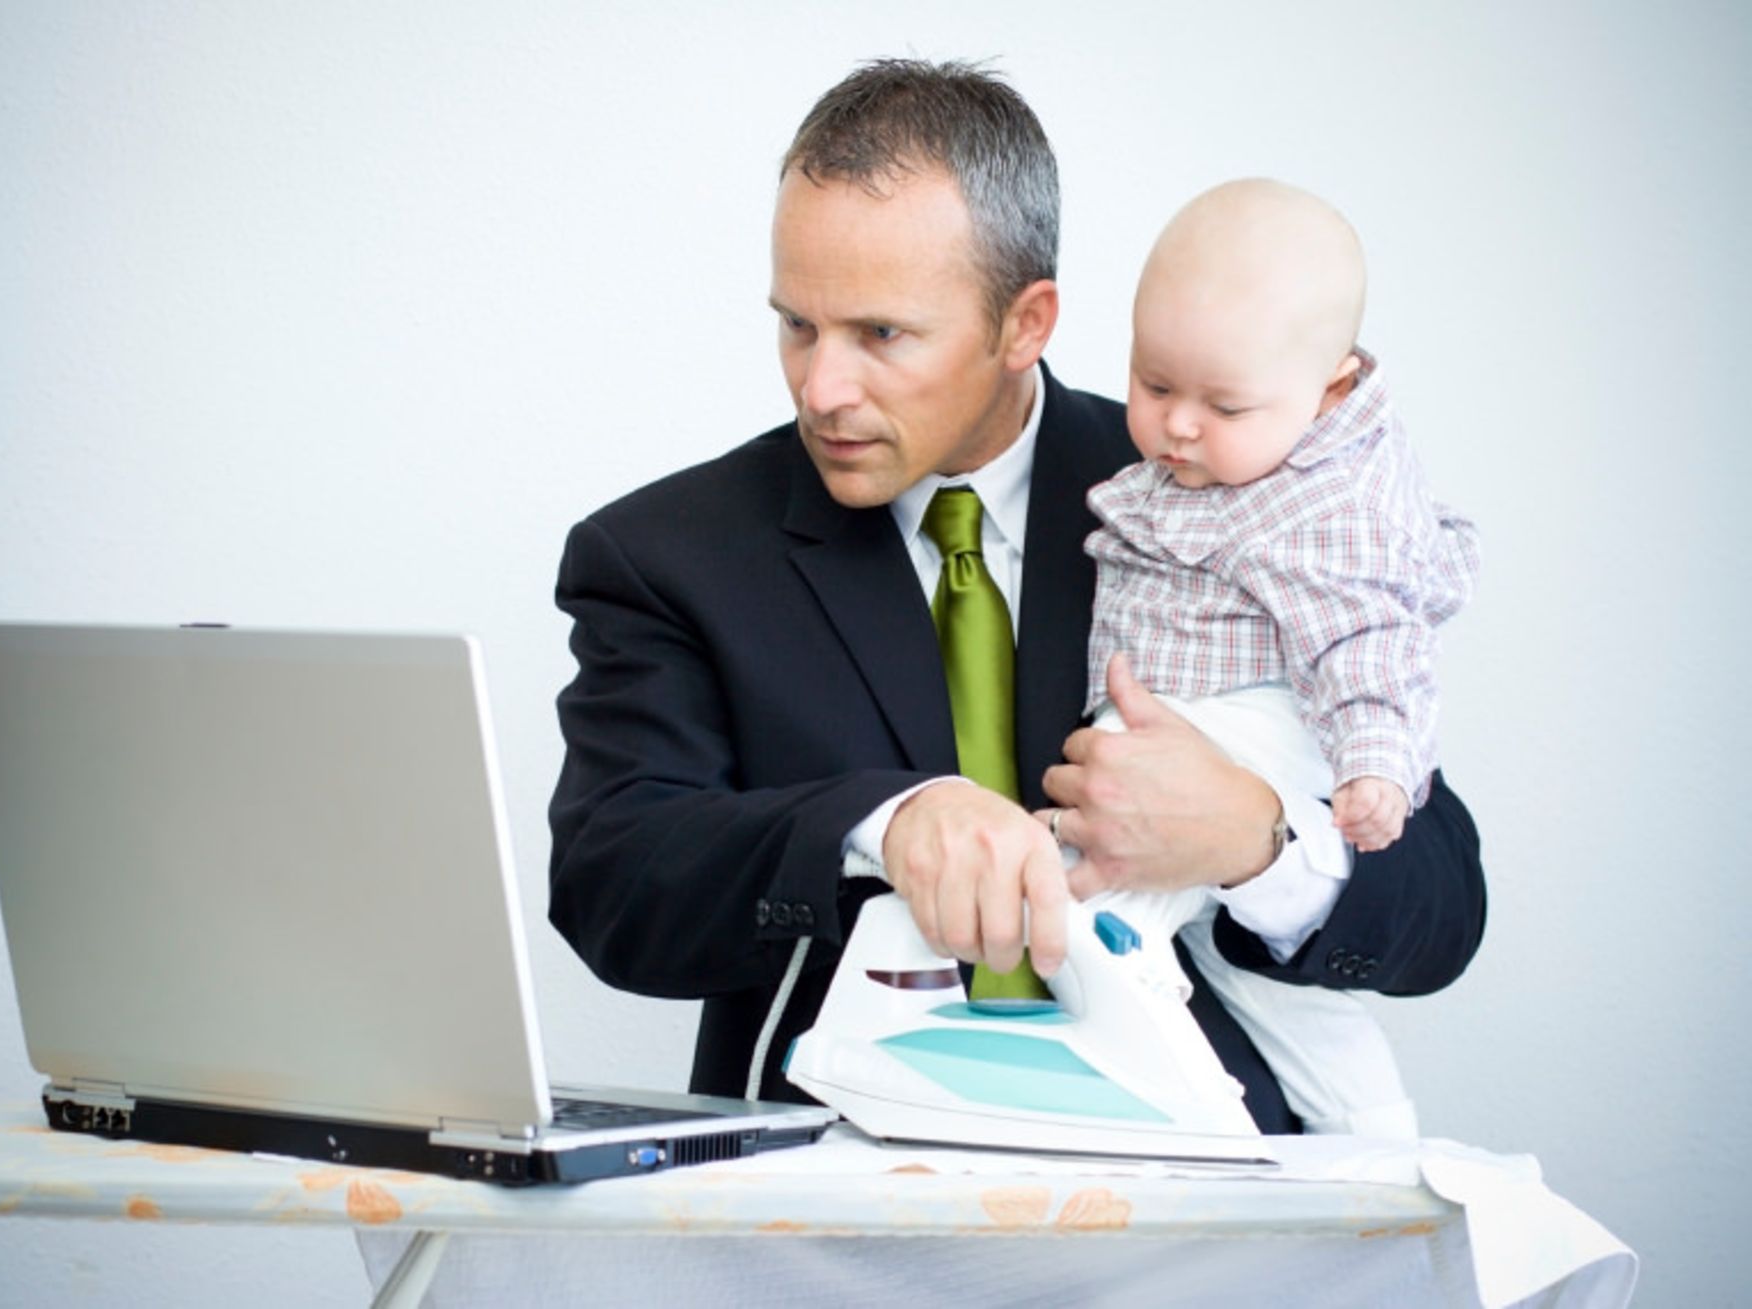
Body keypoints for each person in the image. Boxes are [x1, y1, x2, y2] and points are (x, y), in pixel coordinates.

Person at [548, 58, 1485, 1133]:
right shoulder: (664, 553)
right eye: (798, 325)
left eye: (881, 334)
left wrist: (1254, 841)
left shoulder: (1233, 490)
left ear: (1025, 323)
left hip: (1202, 1184)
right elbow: (613, 886)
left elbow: (1441, 904)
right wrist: (879, 824)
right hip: (841, 1186)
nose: (821, 388)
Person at [1066, 178, 1481, 1135]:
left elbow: (1370, 642)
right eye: (1154, 384)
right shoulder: (1191, 466)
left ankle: (1179, 1098)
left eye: (1223, 404)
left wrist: (1368, 769)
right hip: (1205, 713)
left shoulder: (1329, 507)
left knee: (1095, 905)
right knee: (1267, 986)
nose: (1178, 426)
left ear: (1330, 390)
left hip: (1247, 726)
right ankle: (1377, 1138)